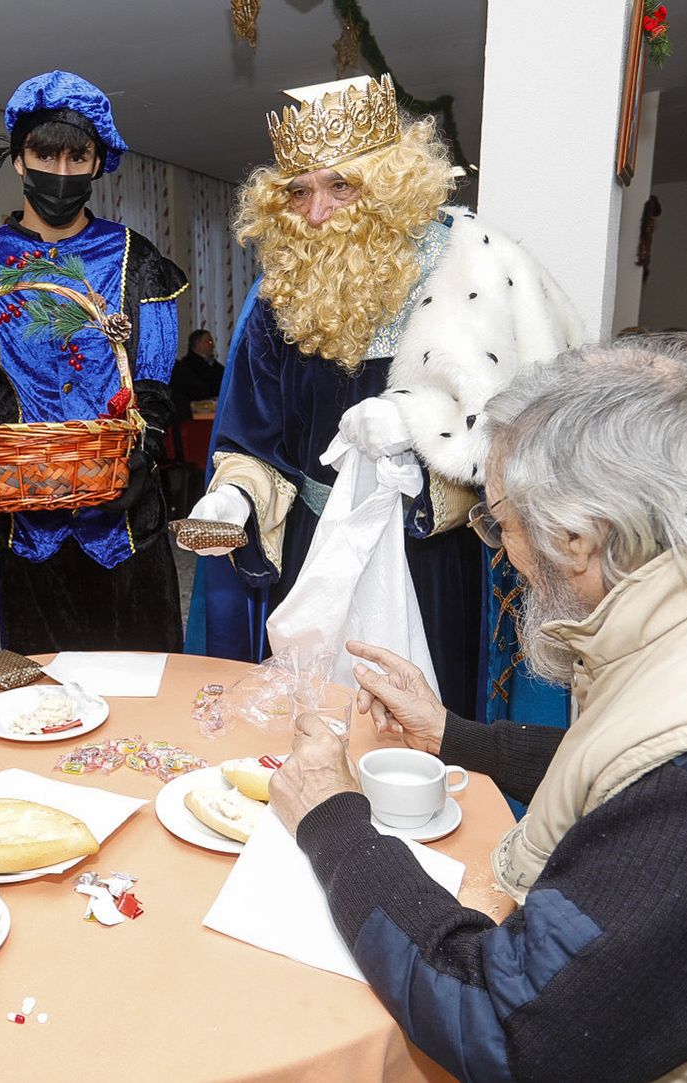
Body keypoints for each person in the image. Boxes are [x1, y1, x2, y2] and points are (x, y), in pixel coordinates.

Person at [270, 341, 687, 1081]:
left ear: (579, 538)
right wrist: (457, 737)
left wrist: (331, 819)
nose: (502, 552)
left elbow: (508, 1028)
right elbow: (637, 777)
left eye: (502, 525)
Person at [182, 74, 583, 730]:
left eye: (341, 185)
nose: (316, 212)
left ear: (390, 182)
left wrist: (423, 426)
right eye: (300, 191)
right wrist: (237, 497)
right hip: (316, 551)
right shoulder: (277, 296)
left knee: (418, 732)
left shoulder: (474, 268)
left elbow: (533, 431)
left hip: (428, 559)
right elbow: (253, 439)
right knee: (312, 724)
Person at [0, 70, 189, 654]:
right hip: (24, 530)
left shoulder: (134, 262)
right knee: (40, 703)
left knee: (146, 690)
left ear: (97, 164)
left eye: (77, 157)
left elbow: (157, 386)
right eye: (45, 155)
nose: (60, 174)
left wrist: (140, 454)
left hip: (125, 526)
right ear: (19, 160)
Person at [170, 328, 224, 422]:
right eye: (209, 341)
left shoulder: (216, 367)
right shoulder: (184, 367)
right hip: (194, 418)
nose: (213, 346)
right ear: (197, 343)